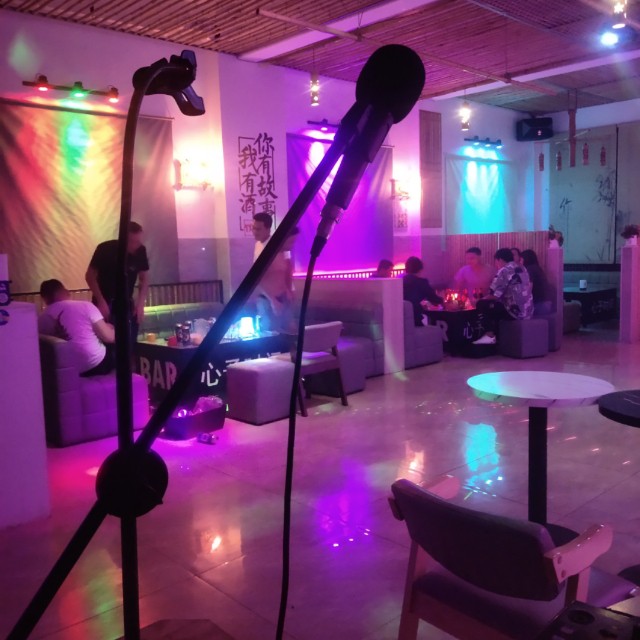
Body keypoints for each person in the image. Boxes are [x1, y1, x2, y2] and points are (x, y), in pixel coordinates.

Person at [85, 221, 149, 346]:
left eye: (138, 241)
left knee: (129, 342)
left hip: (126, 302)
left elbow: (144, 278)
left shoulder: (141, 250)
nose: (136, 245)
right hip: (105, 301)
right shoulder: (105, 248)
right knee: (106, 343)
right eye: (133, 241)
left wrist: (140, 303)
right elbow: (90, 276)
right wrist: (101, 301)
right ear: (123, 238)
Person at [38, 279, 115, 376]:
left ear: (44, 298)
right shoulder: (85, 305)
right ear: (63, 291)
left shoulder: (42, 319)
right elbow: (109, 338)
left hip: (65, 369)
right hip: (95, 365)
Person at [474, 248, 533, 344]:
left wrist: (479, 300)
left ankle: (489, 336)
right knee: (496, 308)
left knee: (482, 304)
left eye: (496, 262)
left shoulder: (504, 270)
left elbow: (494, 295)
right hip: (528, 311)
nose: (496, 265)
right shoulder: (522, 268)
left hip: (515, 312)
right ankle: (498, 337)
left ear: (500, 260)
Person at [255, 227, 299, 333]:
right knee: (271, 333)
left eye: (294, 241)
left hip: (283, 297)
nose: (292, 245)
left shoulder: (284, 254)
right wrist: (272, 300)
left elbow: (285, 274)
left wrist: (288, 290)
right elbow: (258, 280)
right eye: (290, 241)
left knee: (291, 330)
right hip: (268, 300)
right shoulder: (267, 255)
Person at [402, 256, 444, 327]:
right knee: (438, 328)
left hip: (400, 322)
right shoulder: (422, 282)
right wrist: (443, 300)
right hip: (415, 321)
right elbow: (434, 299)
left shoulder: (400, 281)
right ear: (420, 269)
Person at [521, 249, 552, 316]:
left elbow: (528, 289)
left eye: (521, 259)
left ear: (526, 259)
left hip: (539, 305)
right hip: (546, 304)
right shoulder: (536, 268)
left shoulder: (530, 269)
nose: (520, 261)